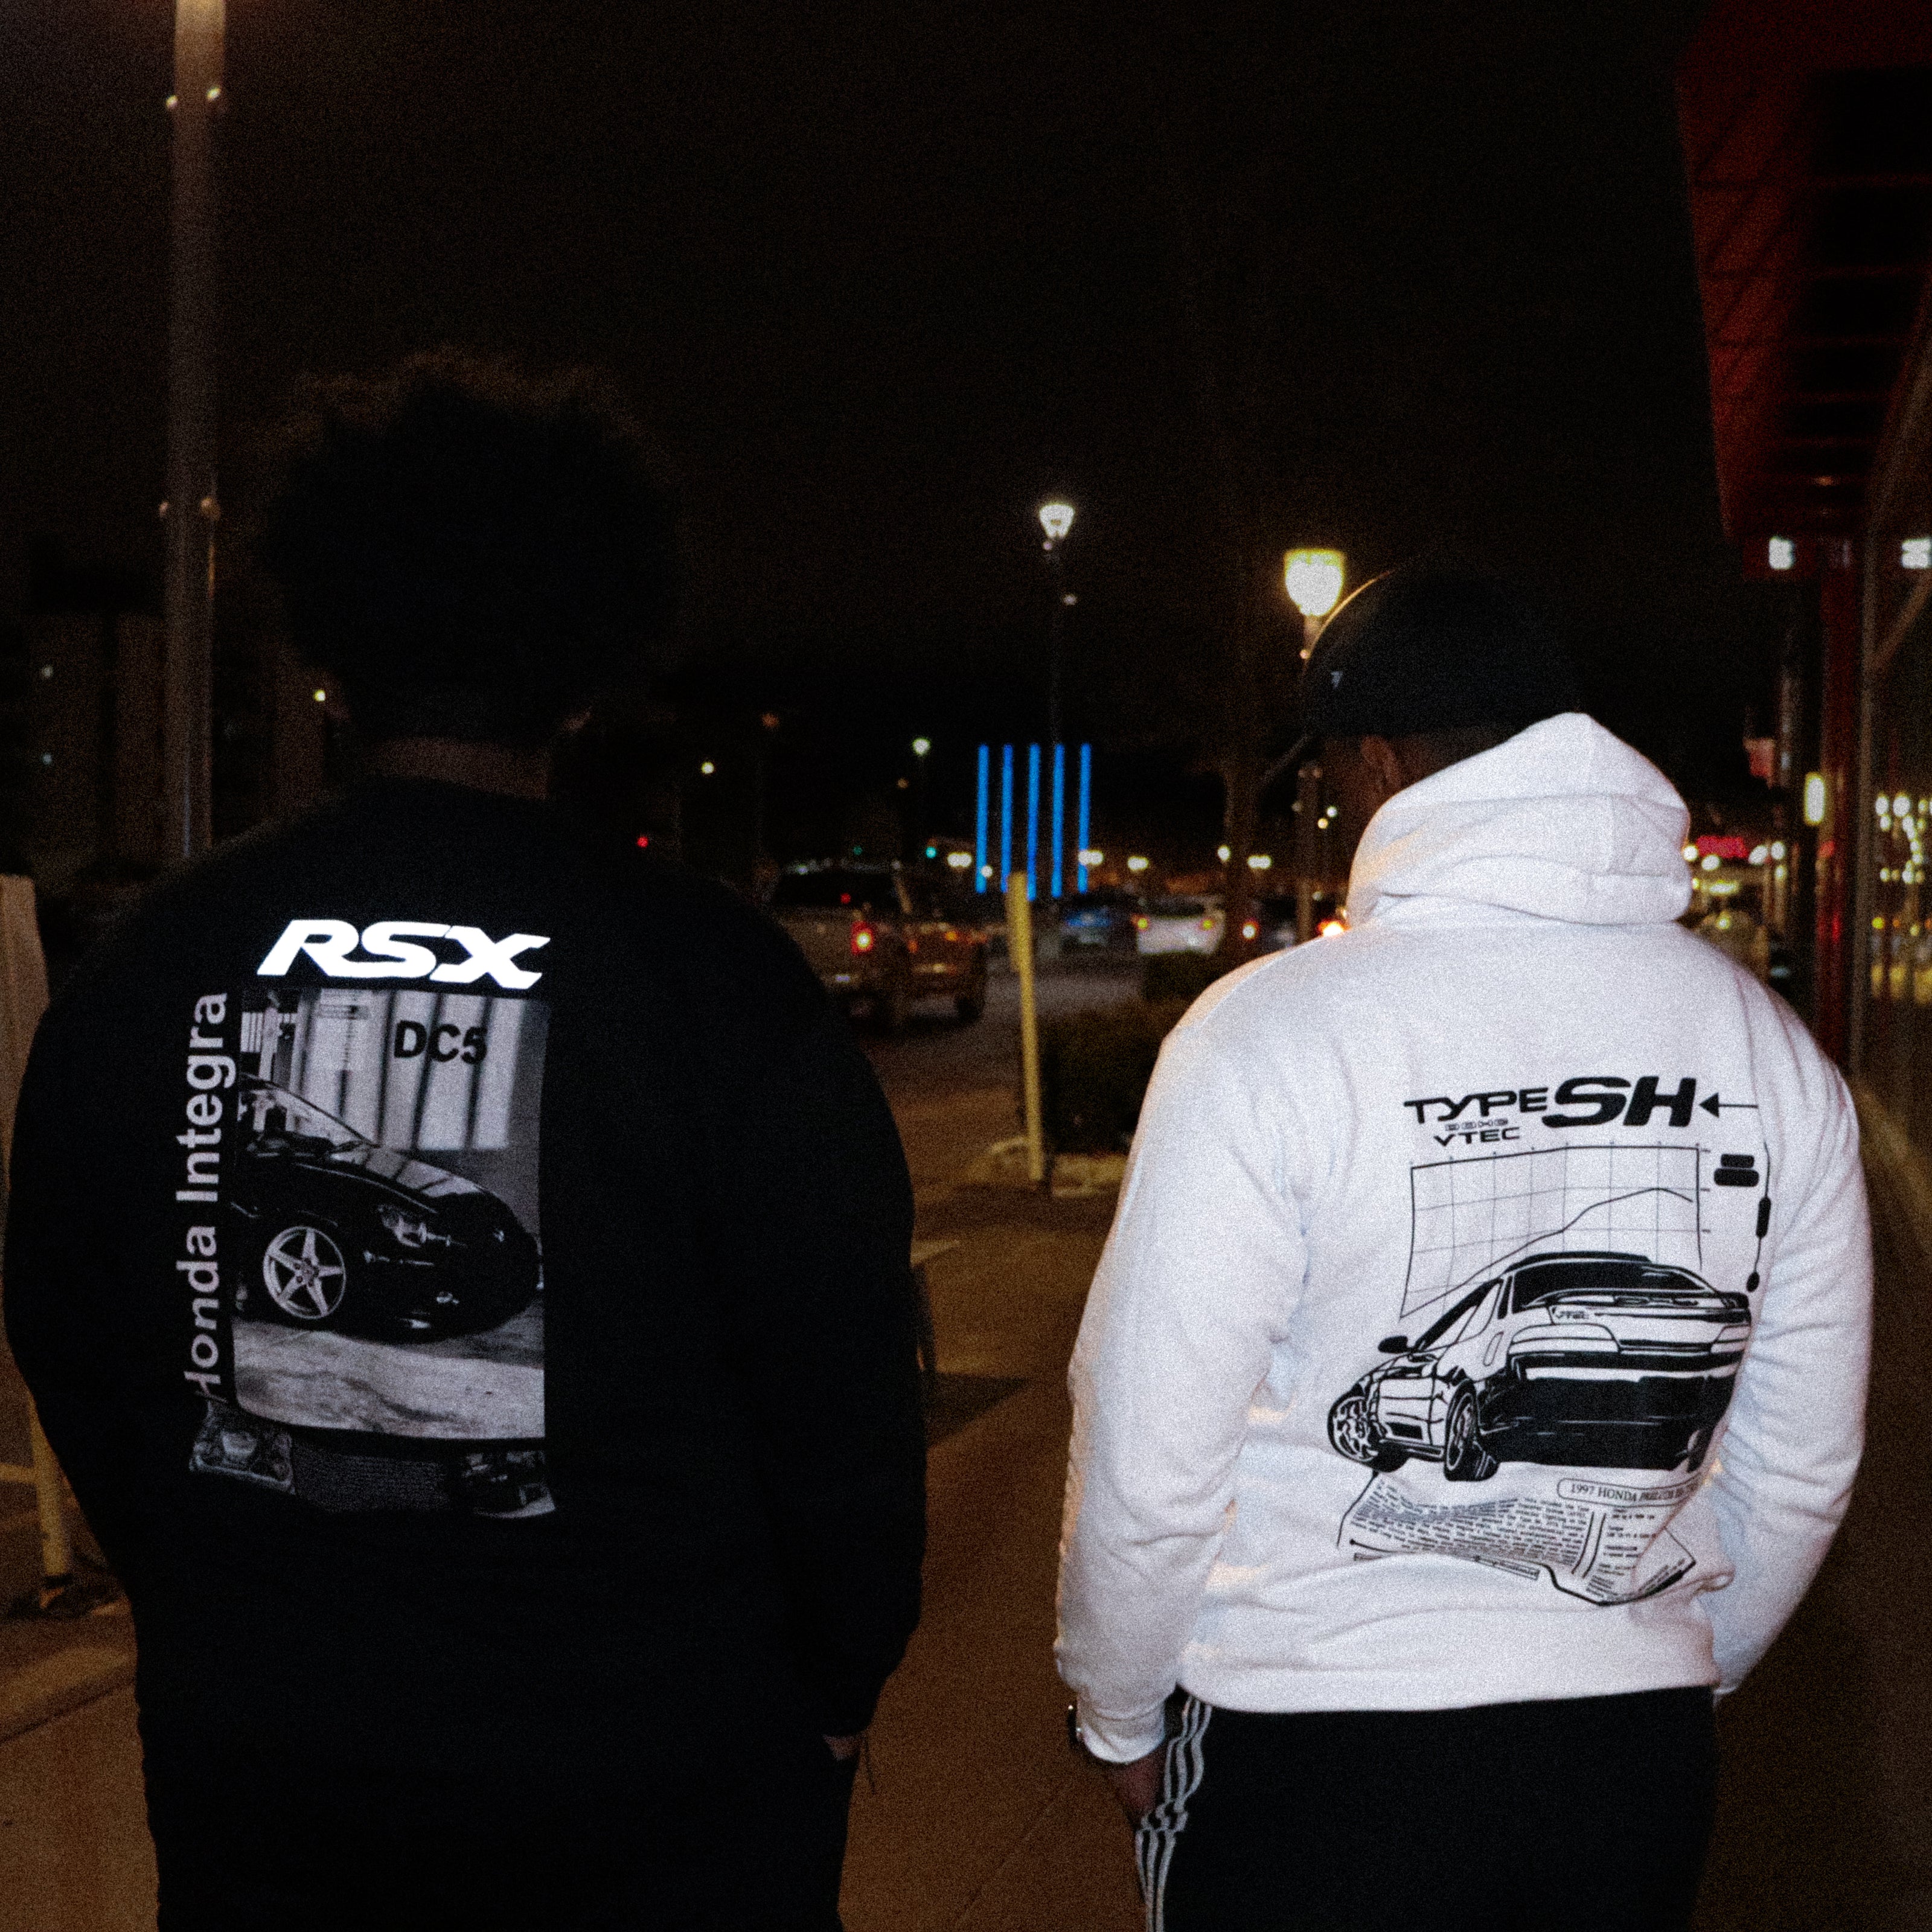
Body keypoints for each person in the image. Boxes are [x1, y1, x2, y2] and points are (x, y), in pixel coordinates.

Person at [3, 351, 926, 1931]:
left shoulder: (157, 958)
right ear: (584, 678)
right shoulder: (707, 975)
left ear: (331, 660)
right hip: (661, 1776)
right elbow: (840, 1380)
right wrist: (839, 1681)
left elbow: (64, 1315)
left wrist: (207, 1586)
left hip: (271, 1767)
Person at [1056, 565, 1869, 1931]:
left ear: (1378, 765)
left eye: (1334, 779)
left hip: (1307, 1747)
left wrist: (1118, 1709)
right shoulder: (1766, 1048)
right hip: (1627, 1767)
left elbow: (1151, 1437)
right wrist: (1665, 1664)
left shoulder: (1266, 1034)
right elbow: (1799, 1464)